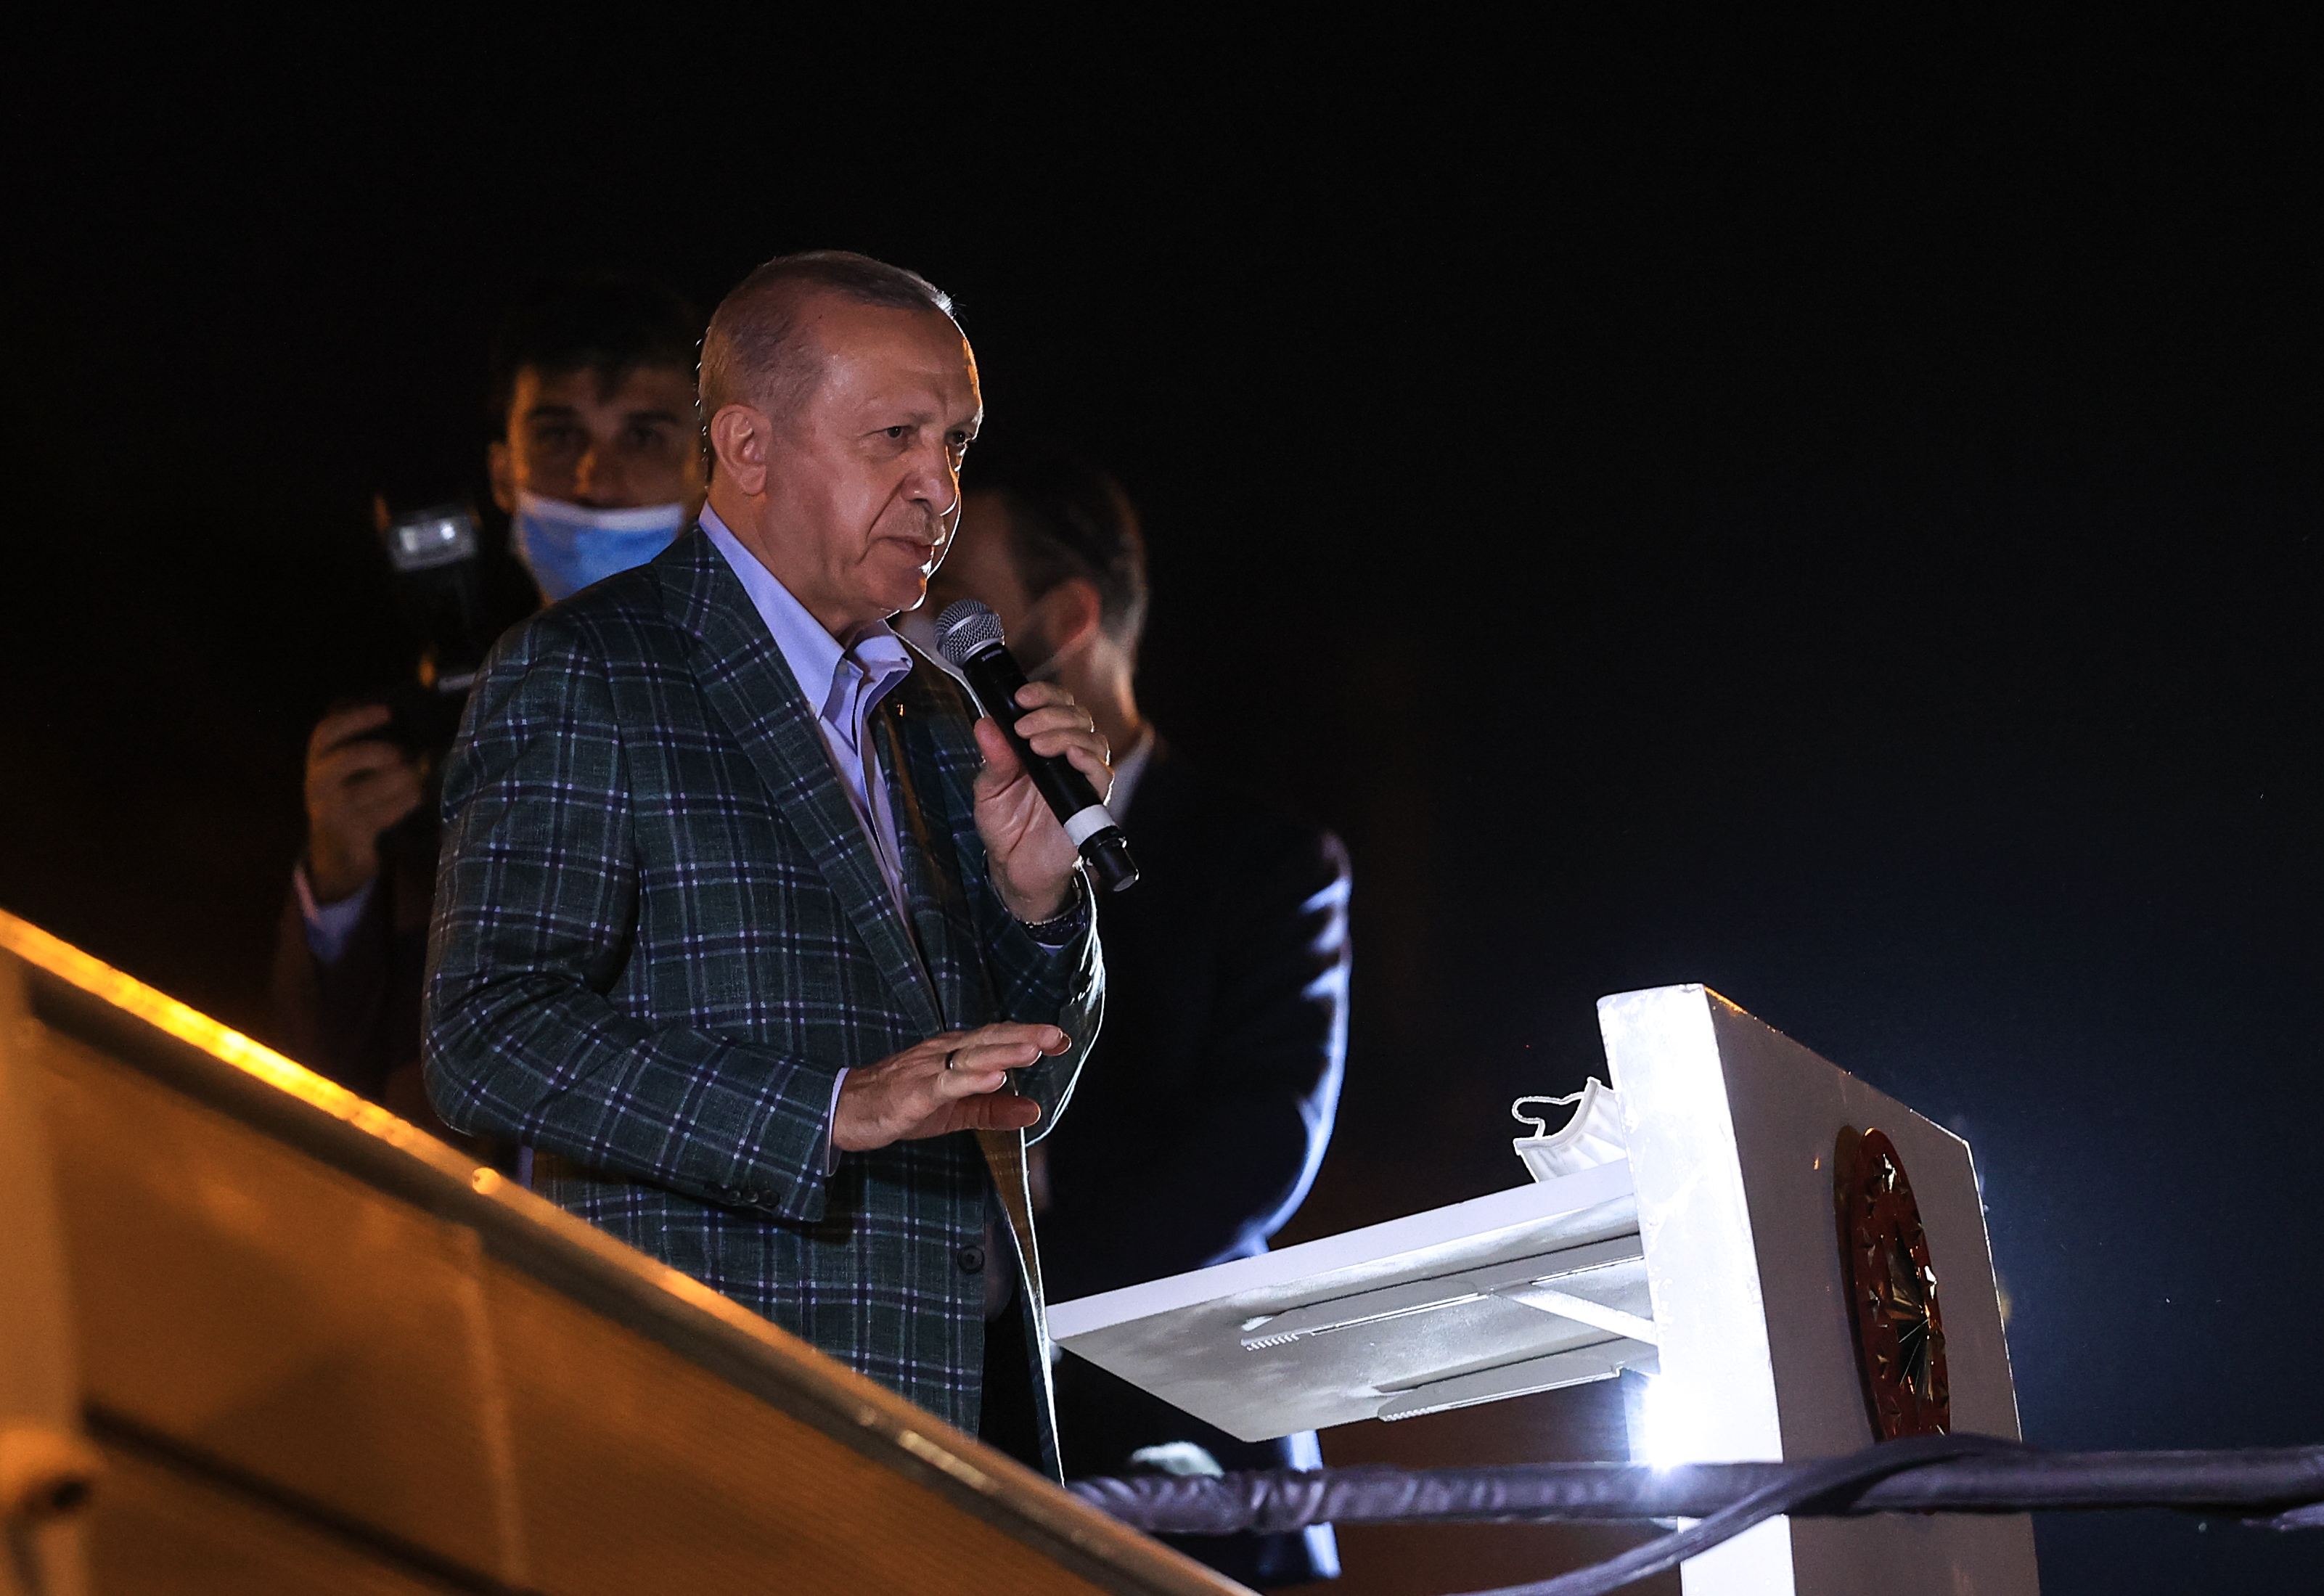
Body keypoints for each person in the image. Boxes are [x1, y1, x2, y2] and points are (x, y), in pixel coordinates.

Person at [424, 252, 1108, 1476]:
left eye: (955, 443)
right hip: (722, 1421)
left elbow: (1018, 1097)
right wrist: (830, 1106)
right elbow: (487, 1033)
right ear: (746, 445)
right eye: (894, 437)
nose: (938, 488)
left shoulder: (936, 711)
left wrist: (1037, 896)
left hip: (970, 1413)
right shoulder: (591, 670)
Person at [921, 440, 1350, 1584]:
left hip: (1182, 1442)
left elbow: (1260, 1147)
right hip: (947, 1442)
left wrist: (1011, 1268)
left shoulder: (1268, 861)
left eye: (952, 596)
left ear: (1063, 617)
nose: (914, 620)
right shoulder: (916, 831)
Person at [270, 279, 707, 1141]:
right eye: (558, 436)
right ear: (504, 471)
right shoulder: (431, 736)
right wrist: (340, 878)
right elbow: (320, 1075)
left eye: (644, 437)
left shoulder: (793, 708)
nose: (594, 479)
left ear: (711, 468)